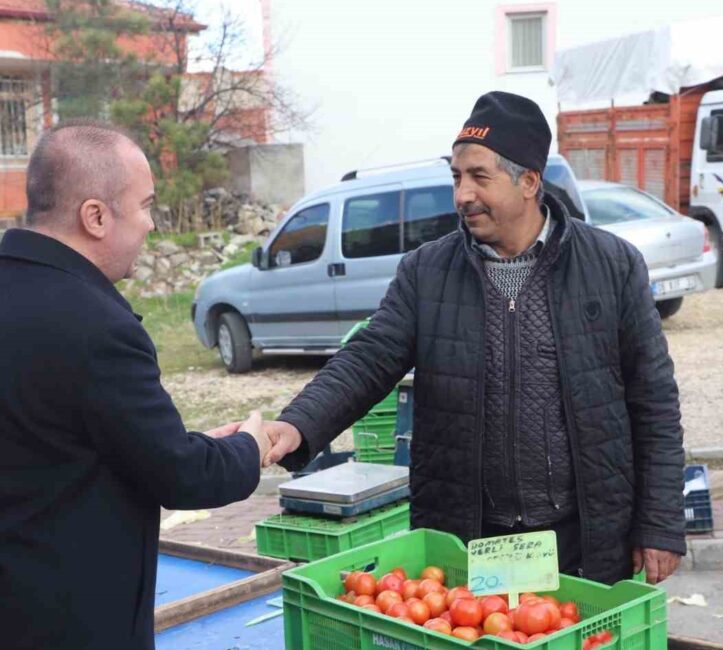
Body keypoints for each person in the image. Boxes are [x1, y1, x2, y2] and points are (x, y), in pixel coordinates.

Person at [258, 92, 686, 585]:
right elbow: (369, 358)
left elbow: (654, 399)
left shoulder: (611, 266)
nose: (462, 194)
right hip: (468, 540)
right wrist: (298, 424)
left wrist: (659, 522)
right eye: (457, 177)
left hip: (586, 536)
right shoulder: (427, 271)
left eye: (480, 177)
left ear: (529, 182)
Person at [0, 122, 271, 649]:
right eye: (145, 205)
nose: (150, 225)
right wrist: (248, 447)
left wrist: (183, 445)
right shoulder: (95, 324)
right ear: (95, 216)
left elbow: (46, 451)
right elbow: (185, 479)